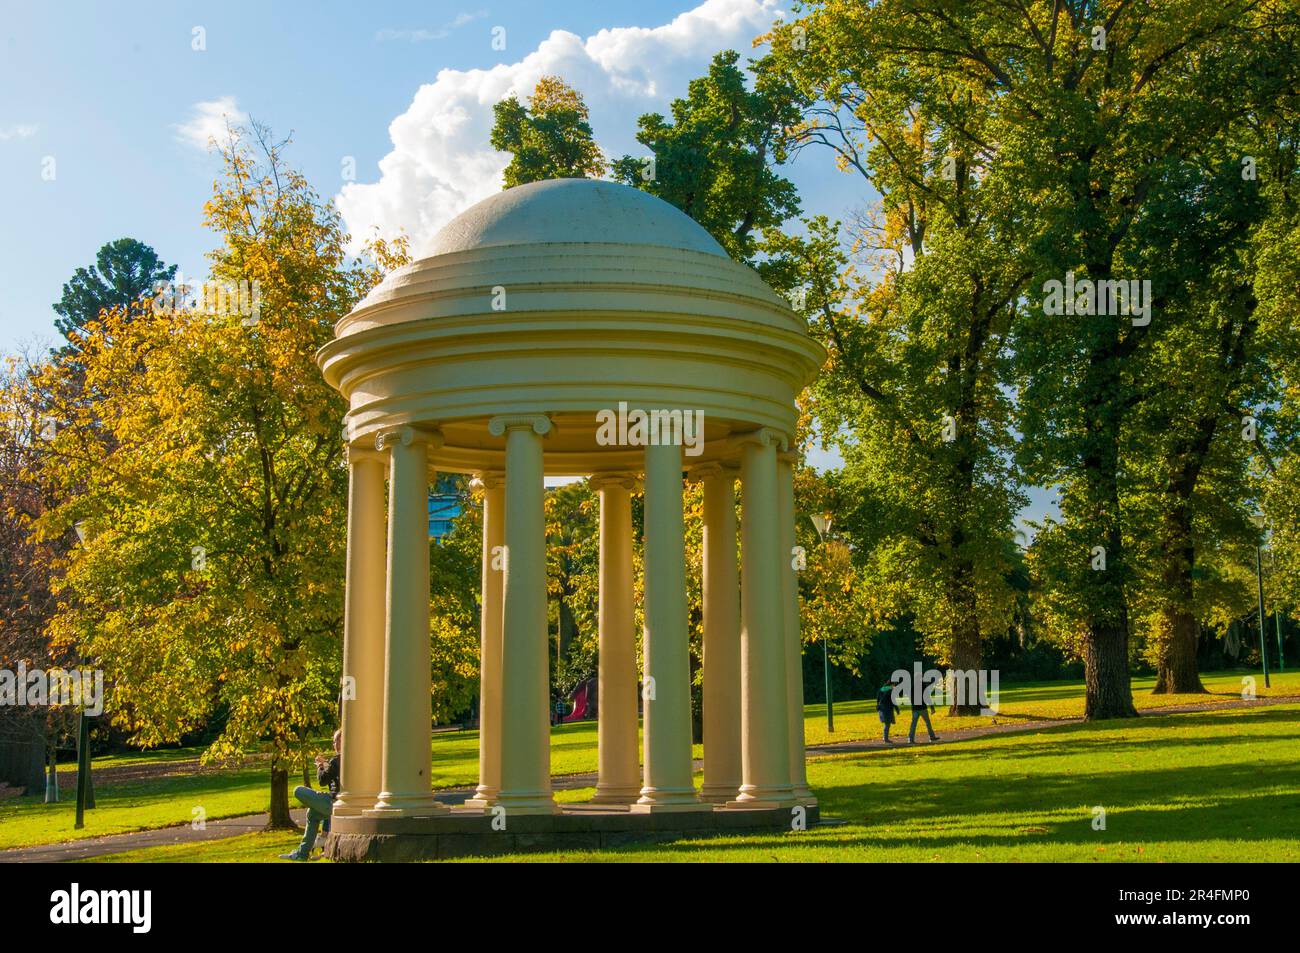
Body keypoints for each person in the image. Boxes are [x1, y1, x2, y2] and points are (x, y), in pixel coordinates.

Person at [279, 729, 340, 861]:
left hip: (335, 803)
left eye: (338, 741)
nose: (336, 744)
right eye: (335, 741)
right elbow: (332, 776)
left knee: (298, 791)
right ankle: (303, 853)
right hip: (336, 803)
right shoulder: (345, 760)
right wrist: (325, 765)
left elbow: (322, 780)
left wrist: (319, 766)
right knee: (312, 814)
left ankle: (313, 845)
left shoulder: (337, 760)